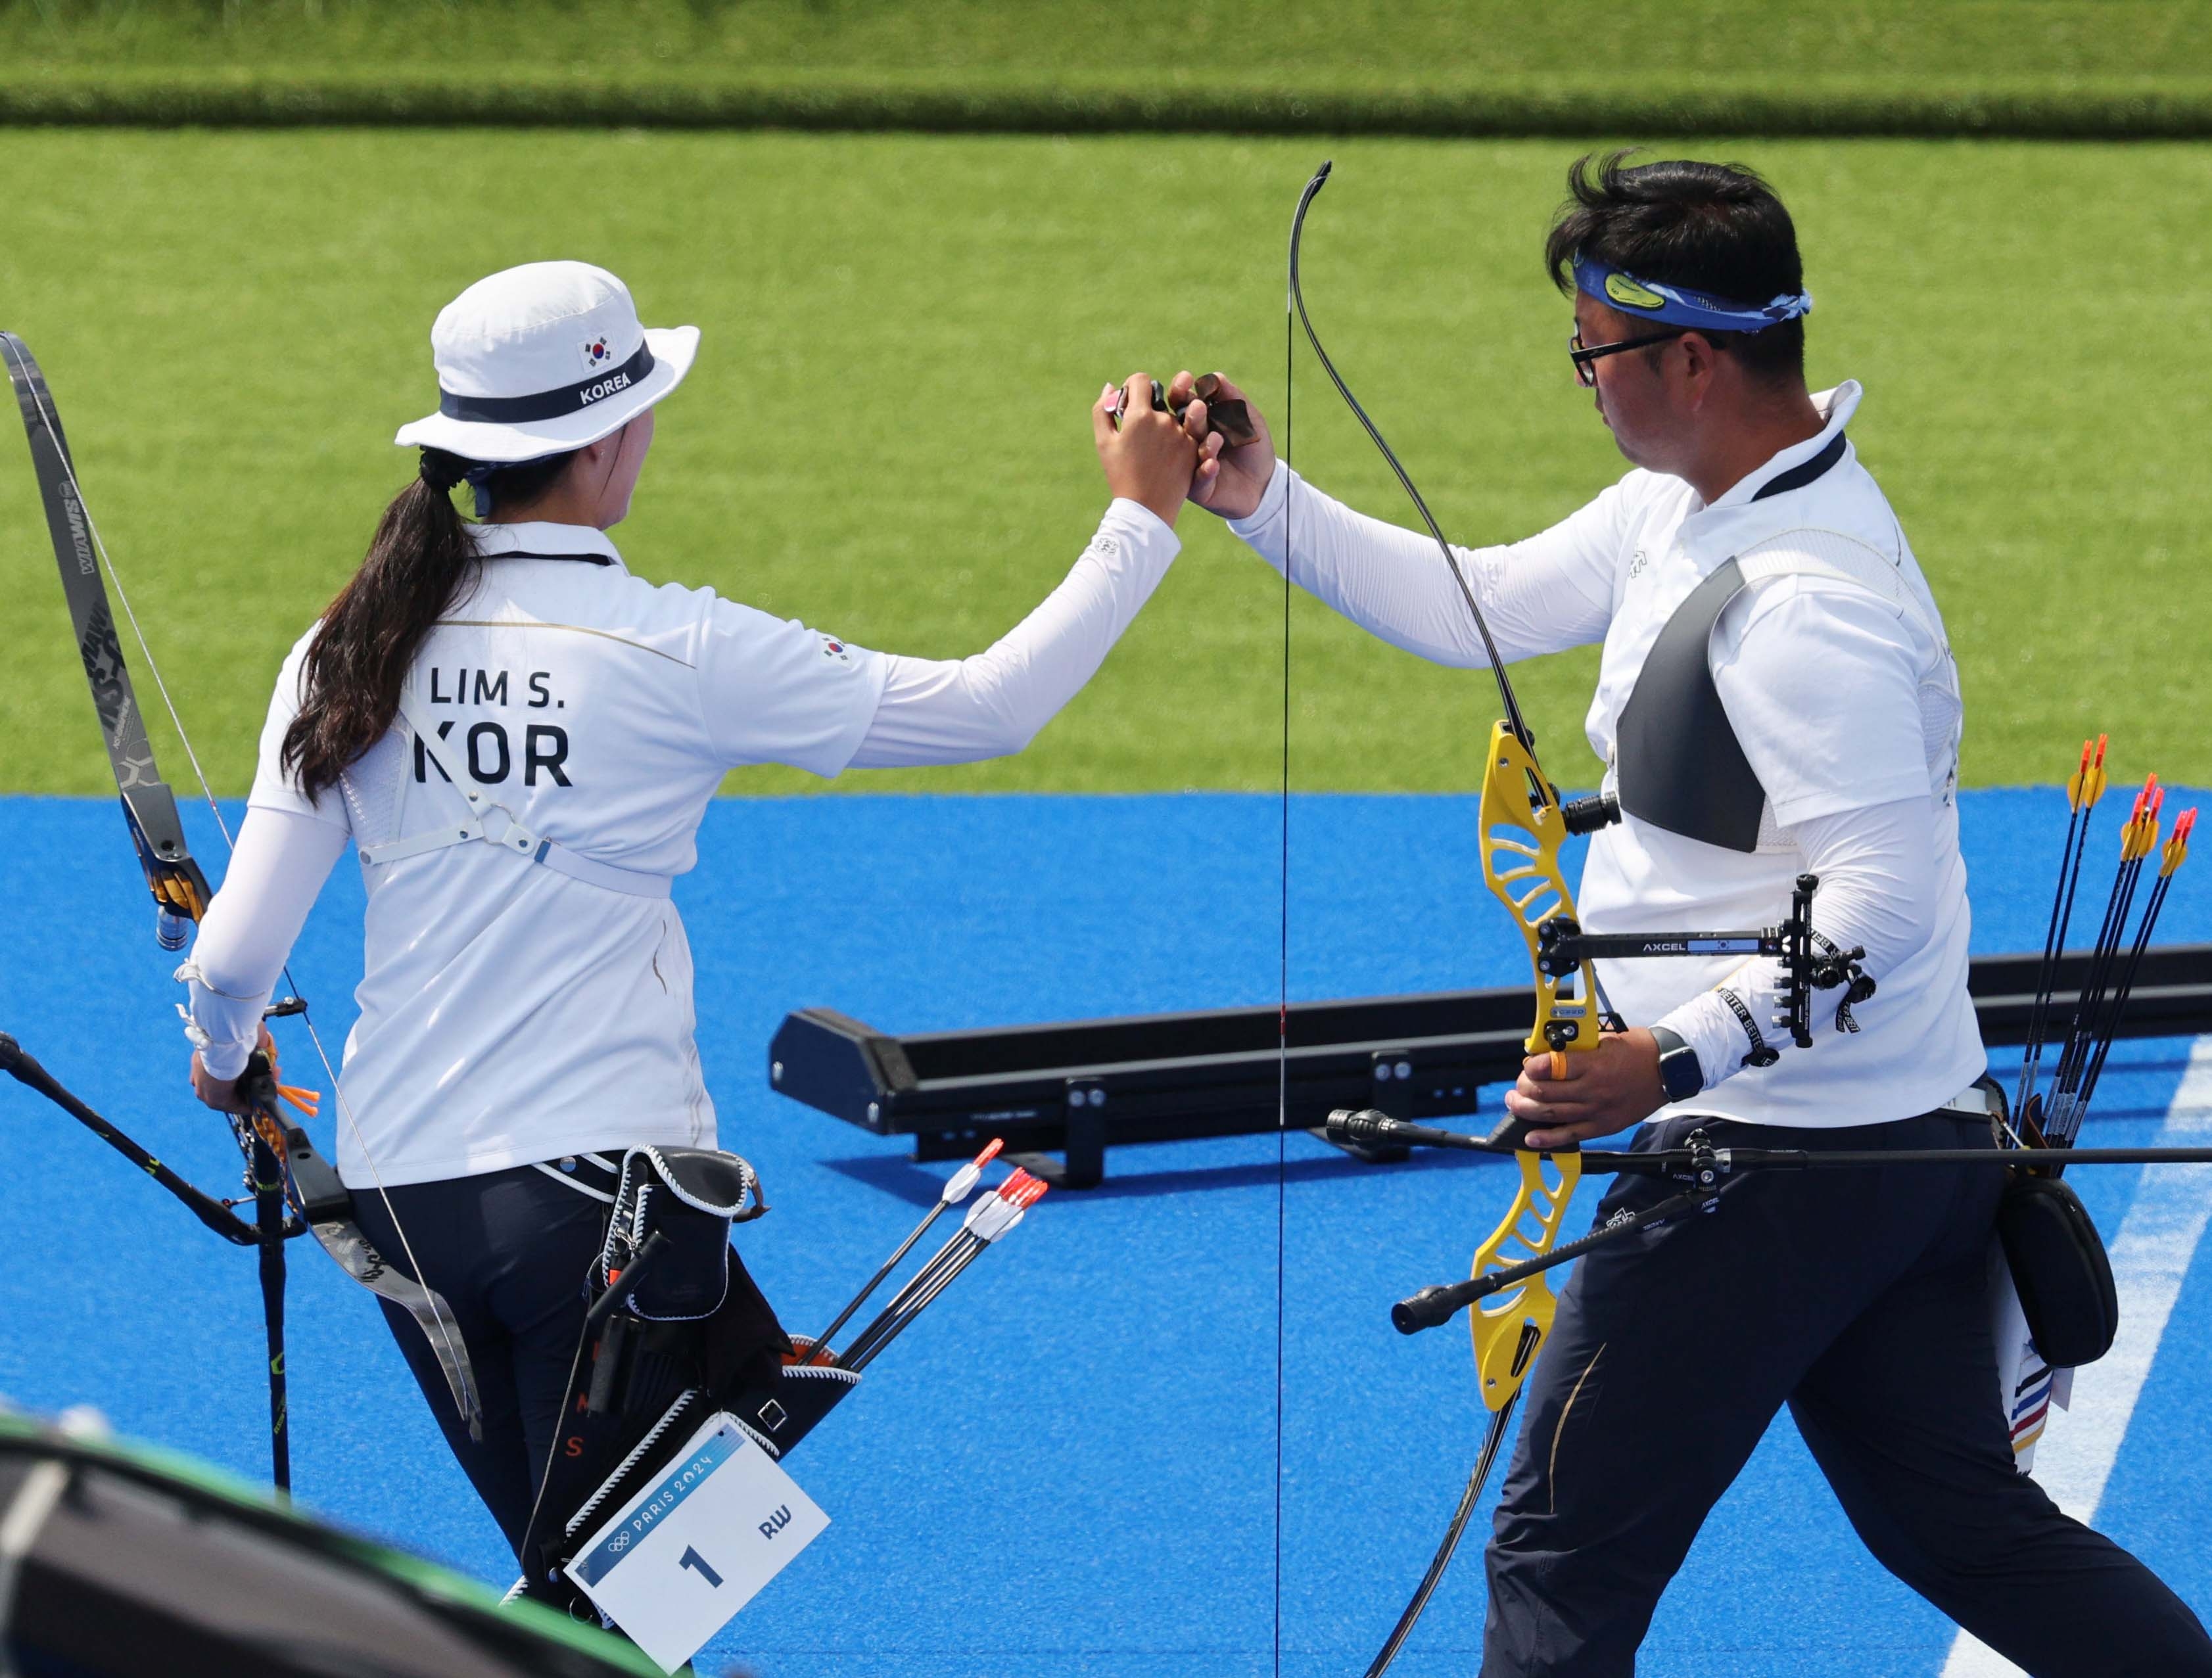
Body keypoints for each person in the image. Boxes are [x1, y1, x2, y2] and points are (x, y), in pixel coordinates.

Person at [1174, 154, 2212, 1675]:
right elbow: (1486, 603)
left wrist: (1664, 1062)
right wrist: (1258, 496)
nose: (1581, 381)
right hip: (1899, 1151)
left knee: (1557, 1557)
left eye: (1592, 352)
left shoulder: (1807, 604)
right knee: (1960, 1526)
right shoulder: (1694, 502)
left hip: (1775, 1171)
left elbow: (1892, 912)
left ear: (1692, 358)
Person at [179, 258, 1205, 1561]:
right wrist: (1141, 517)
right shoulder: (678, 647)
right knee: (636, 1589)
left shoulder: (347, 647)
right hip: (600, 1204)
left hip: (403, 1206)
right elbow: (991, 704)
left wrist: (229, 1065)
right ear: (606, 441)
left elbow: (229, 970)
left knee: (603, 1590)